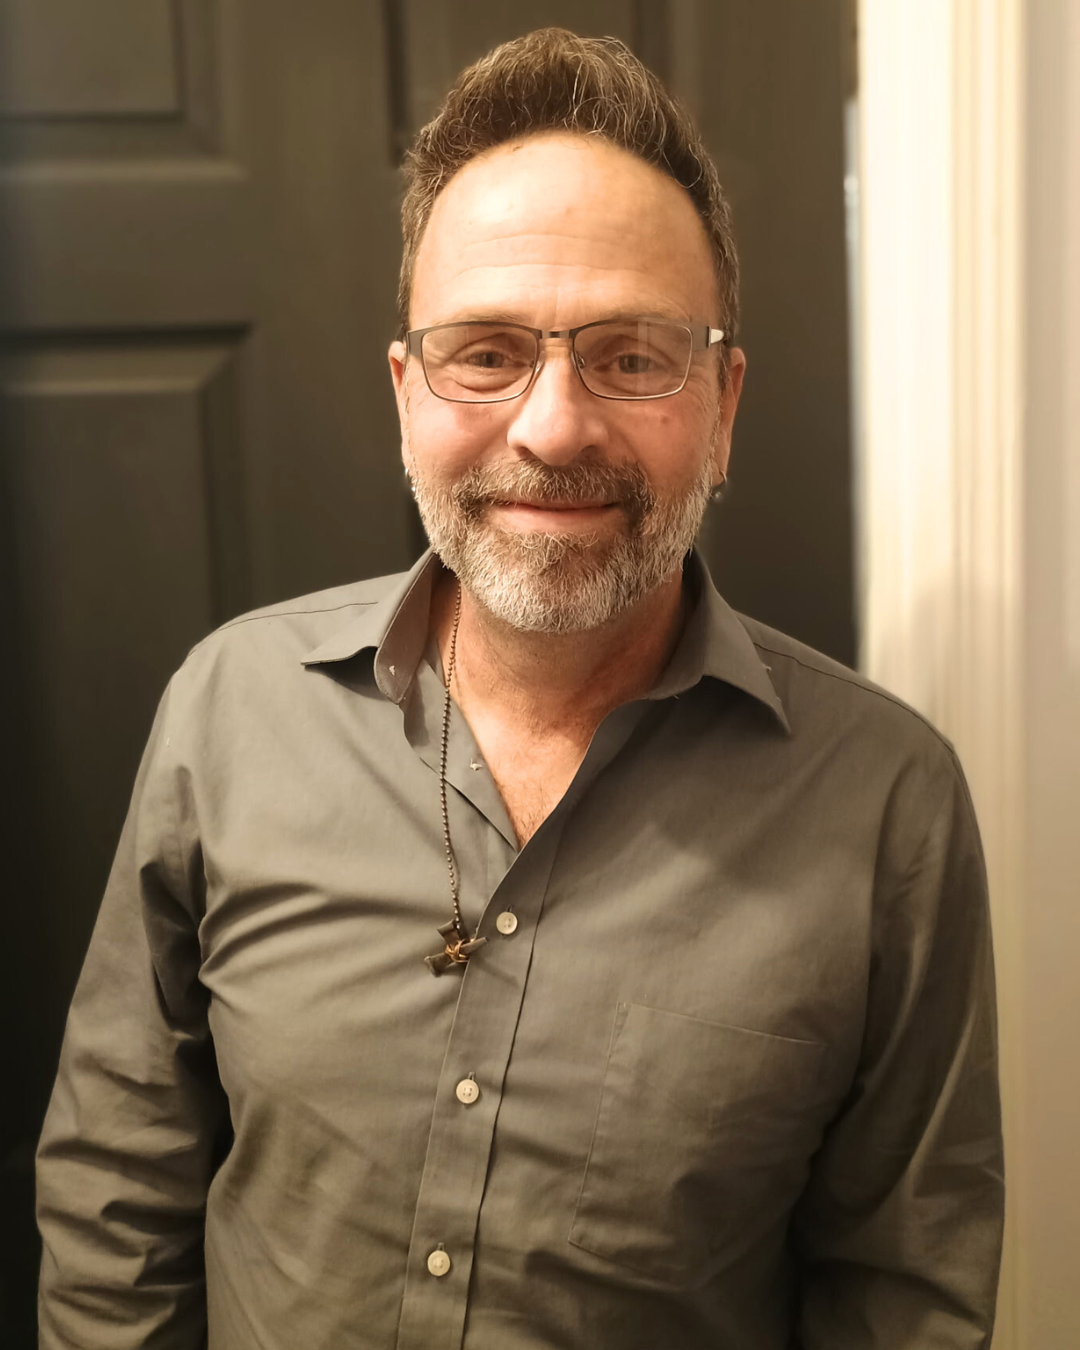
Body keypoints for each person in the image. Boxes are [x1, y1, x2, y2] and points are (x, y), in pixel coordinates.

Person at [36, 28, 1003, 1350]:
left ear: (721, 403)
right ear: (405, 394)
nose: (552, 427)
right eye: (485, 351)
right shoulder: (228, 710)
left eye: (631, 354)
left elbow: (903, 1292)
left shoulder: (890, 803)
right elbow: (117, 1180)